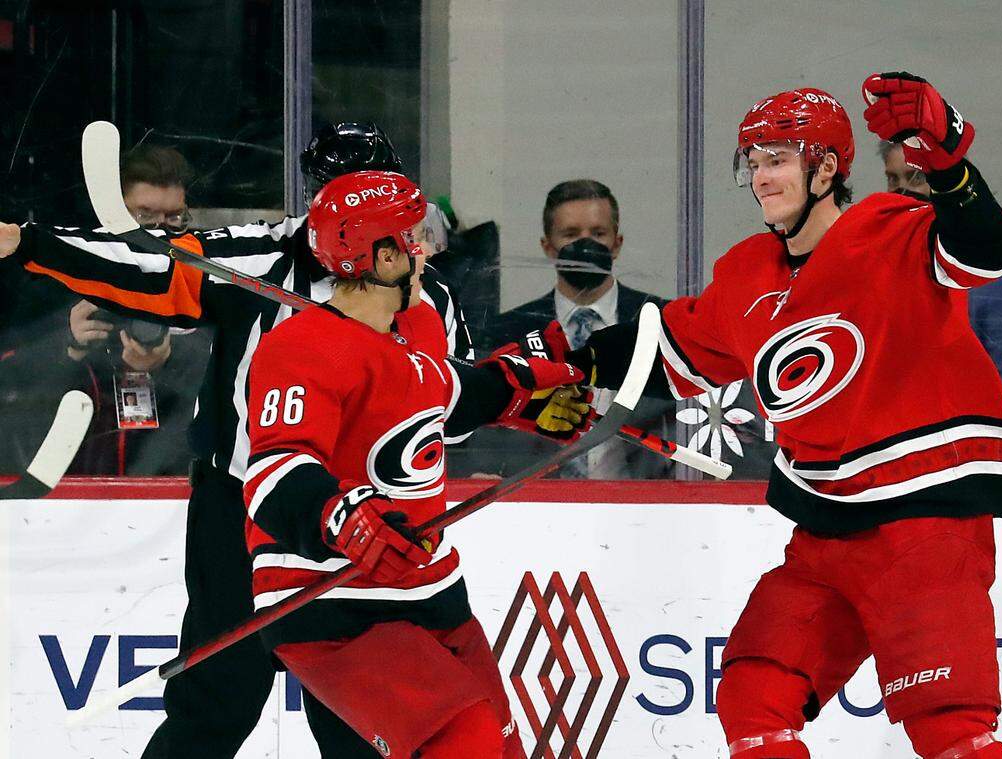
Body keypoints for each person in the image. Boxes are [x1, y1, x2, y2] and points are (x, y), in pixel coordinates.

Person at [561, 74, 1002, 758]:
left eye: (777, 158)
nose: (761, 177)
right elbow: (665, 349)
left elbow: (989, 249)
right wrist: (550, 370)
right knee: (755, 693)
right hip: (826, 534)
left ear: (828, 167)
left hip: (924, 525)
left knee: (950, 728)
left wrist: (949, 163)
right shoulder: (749, 274)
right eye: (753, 162)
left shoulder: (897, 231)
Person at [0, 123, 473, 756]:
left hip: (360, 519)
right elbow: (148, 267)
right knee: (218, 697)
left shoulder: (425, 292)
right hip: (241, 505)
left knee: (364, 717)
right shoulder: (261, 258)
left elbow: (456, 399)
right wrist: (27, 242)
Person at [243, 170, 585, 757]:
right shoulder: (299, 346)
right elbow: (275, 472)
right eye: (409, 237)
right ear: (378, 256)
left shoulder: (418, 323)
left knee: (499, 749)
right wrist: (344, 517)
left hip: (428, 587)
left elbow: (441, 395)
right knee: (465, 739)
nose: (422, 249)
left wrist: (520, 397)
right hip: (331, 597)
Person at [470, 179, 670, 478]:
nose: (585, 245)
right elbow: (486, 433)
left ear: (617, 243)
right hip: (538, 506)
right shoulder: (505, 333)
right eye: (571, 235)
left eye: (598, 233)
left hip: (651, 503)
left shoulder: (662, 322)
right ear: (548, 247)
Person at [64, 144, 212, 475]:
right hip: (71, 493)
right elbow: (18, 376)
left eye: (174, 218)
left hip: (178, 489)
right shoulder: (69, 273)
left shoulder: (206, 278)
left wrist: (170, 360)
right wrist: (68, 345)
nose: (159, 231)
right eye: (144, 216)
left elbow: (235, 370)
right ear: (112, 213)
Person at [878, 140, 1002, 394]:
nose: (902, 192)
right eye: (894, 179)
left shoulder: (998, 277)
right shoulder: (881, 266)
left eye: (916, 179)